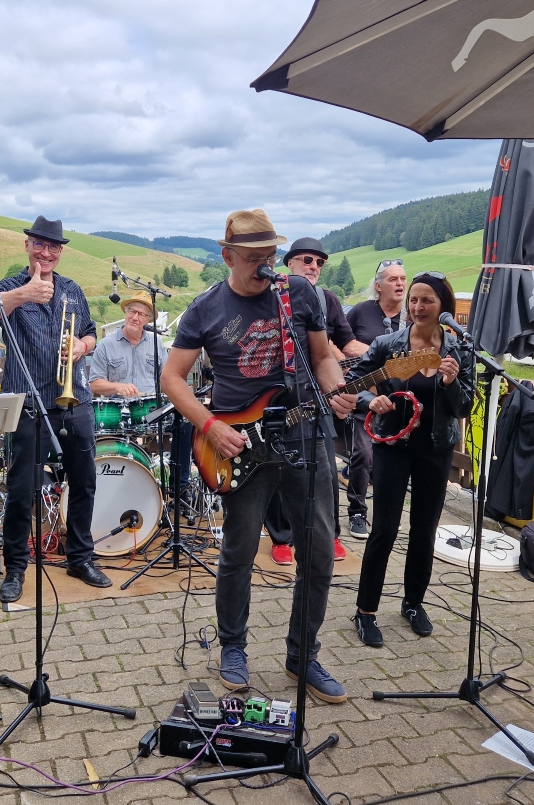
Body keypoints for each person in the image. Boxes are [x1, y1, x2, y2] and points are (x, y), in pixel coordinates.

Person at [162, 209, 349, 704]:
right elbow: (172, 378)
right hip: (239, 443)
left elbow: (323, 357)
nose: (264, 266)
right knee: (239, 551)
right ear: (227, 256)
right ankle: (233, 647)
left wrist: (338, 389)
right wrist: (211, 426)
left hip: (304, 434)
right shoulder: (205, 309)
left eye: (270, 255)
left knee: (318, 551)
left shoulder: (299, 293)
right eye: (252, 258)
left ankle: (302, 654)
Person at [333, 271, 474, 644]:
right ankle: (365, 611)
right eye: (414, 299)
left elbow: (464, 407)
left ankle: (413, 604)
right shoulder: (387, 344)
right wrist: (371, 400)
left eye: (427, 300)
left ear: (443, 306)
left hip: (435, 449)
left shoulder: (459, 350)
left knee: (424, 531)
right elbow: (354, 384)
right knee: (384, 529)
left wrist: (450, 383)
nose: (417, 306)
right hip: (392, 448)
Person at [0, 215, 111, 603]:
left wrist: (82, 347)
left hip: (75, 399)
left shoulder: (72, 290)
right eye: (39, 244)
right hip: (27, 403)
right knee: (22, 489)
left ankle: (80, 557)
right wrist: (26, 294)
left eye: (53, 246)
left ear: (60, 252)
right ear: (27, 246)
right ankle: (15, 567)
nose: (47, 252)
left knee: (84, 482)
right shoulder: (9, 287)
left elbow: (91, 331)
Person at [262, 237, 367, 566]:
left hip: (315, 398)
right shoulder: (269, 295)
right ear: (290, 263)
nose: (314, 266)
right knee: (276, 467)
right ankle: (281, 537)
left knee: (325, 470)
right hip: (275, 396)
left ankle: (329, 535)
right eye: (307, 260)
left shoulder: (327, 299)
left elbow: (348, 344)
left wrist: (386, 351)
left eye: (320, 262)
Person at [342, 260, 408, 540]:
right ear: (379, 286)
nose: (400, 284)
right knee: (363, 454)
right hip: (365, 395)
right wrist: (347, 372)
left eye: (403, 279)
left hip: (397, 400)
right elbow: (337, 343)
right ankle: (357, 511)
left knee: (393, 460)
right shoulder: (361, 311)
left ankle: (386, 514)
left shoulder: (409, 317)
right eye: (393, 279)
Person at [89, 291, 166, 397]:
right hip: (117, 406)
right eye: (132, 311)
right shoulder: (105, 345)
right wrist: (118, 387)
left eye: (141, 315)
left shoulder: (157, 343)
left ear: (148, 320)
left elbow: (168, 379)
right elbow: (94, 385)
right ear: (125, 312)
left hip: (151, 406)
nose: (135, 318)